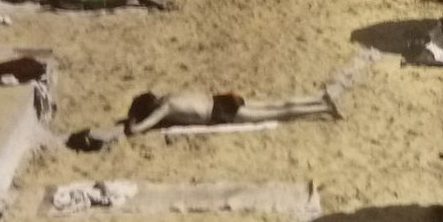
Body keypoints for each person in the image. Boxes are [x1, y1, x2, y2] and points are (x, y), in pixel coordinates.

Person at [123, 89, 338, 135]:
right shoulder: (169, 96)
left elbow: (135, 131)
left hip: (219, 111)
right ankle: (318, 99)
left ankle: (324, 108)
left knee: (277, 114)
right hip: (222, 97)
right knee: (276, 103)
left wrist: (133, 117)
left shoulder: (164, 108)